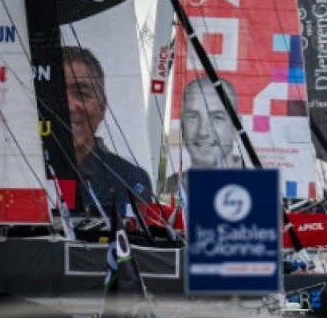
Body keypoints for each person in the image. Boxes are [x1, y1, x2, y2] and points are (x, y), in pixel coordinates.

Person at [63, 46, 154, 214]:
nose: (69, 106)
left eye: (82, 94)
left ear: (102, 107)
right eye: (57, 92)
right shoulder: (12, 175)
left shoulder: (131, 179)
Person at [164, 76, 243, 194]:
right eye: (193, 117)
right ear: (182, 123)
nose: (203, 132)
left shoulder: (258, 189)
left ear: (236, 126)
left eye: (217, 118)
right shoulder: (171, 186)